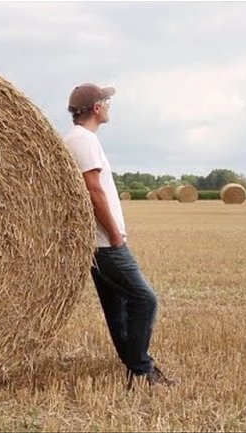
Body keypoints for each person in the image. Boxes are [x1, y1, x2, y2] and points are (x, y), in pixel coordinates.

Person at [62, 83, 175, 389]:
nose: (110, 106)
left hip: (95, 243)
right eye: (106, 101)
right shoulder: (84, 141)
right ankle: (140, 367)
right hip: (104, 243)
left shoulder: (74, 139)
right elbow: (93, 190)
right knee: (145, 300)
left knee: (118, 308)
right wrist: (114, 234)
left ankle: (134, 365)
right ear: (96, 108)